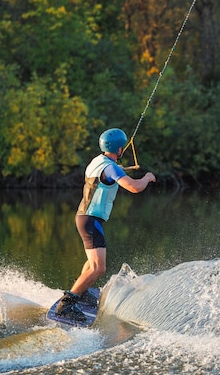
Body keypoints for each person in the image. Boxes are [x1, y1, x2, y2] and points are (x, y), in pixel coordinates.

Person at [56, 128, 156, 321]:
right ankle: (67, 304)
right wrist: (147, 178)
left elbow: (106, 175)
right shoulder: (110, 168)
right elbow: (134, 188)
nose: (123, 151)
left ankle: (81, 292)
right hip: (91, 219)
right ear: (119, 149)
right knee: (98, 267)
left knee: (91, 263)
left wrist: (117, 169)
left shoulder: (97, 162)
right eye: (122, 148)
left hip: (84, 218)